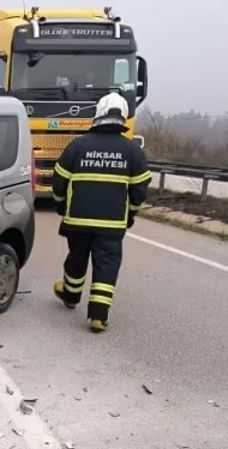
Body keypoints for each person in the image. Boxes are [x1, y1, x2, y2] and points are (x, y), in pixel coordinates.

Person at [52, 92, 150, 333]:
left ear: (98, 114)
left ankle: (71, 296)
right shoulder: (132, 151)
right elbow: (139, 190)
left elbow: (59, 181)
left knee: (77, 256)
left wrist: (61, 206)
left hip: (78, 220)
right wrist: (131, 214)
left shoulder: (78, 146)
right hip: (112, 223)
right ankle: (98, 316)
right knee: (107, 264)